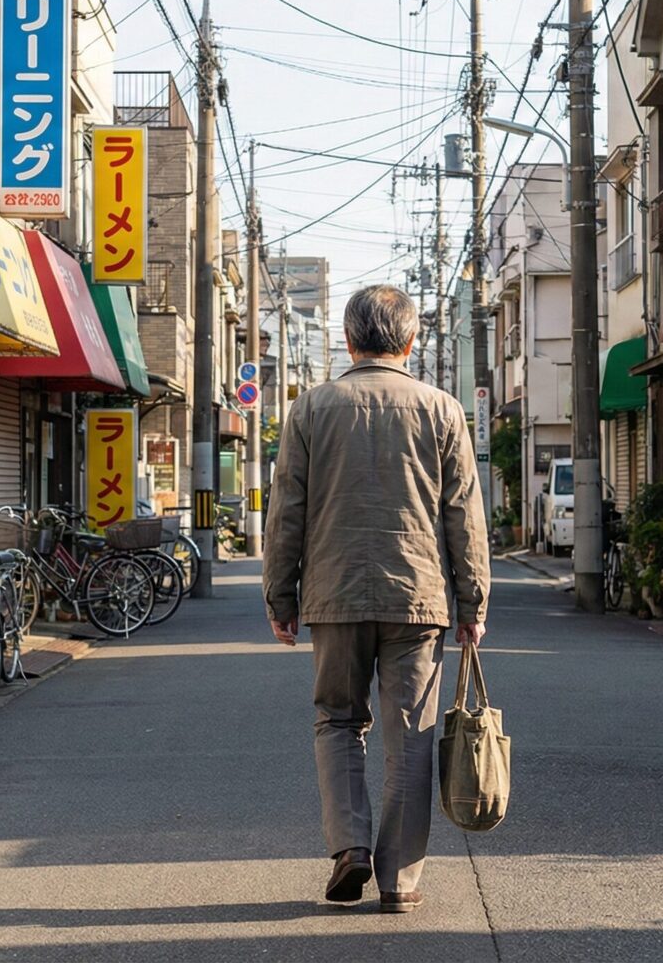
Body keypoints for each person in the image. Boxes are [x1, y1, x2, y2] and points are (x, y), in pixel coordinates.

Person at [263, 284, 490, 914]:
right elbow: (464, 517)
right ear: (411, 341)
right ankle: (399, 881)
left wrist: (281, 594)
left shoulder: (311, 408)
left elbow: (287, 513)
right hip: (418, 598)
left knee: (337, 720)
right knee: (411, 738)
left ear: (348, 338)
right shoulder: (442, 410)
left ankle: (349, 849)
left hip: (333, 594)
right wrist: (472, 602)